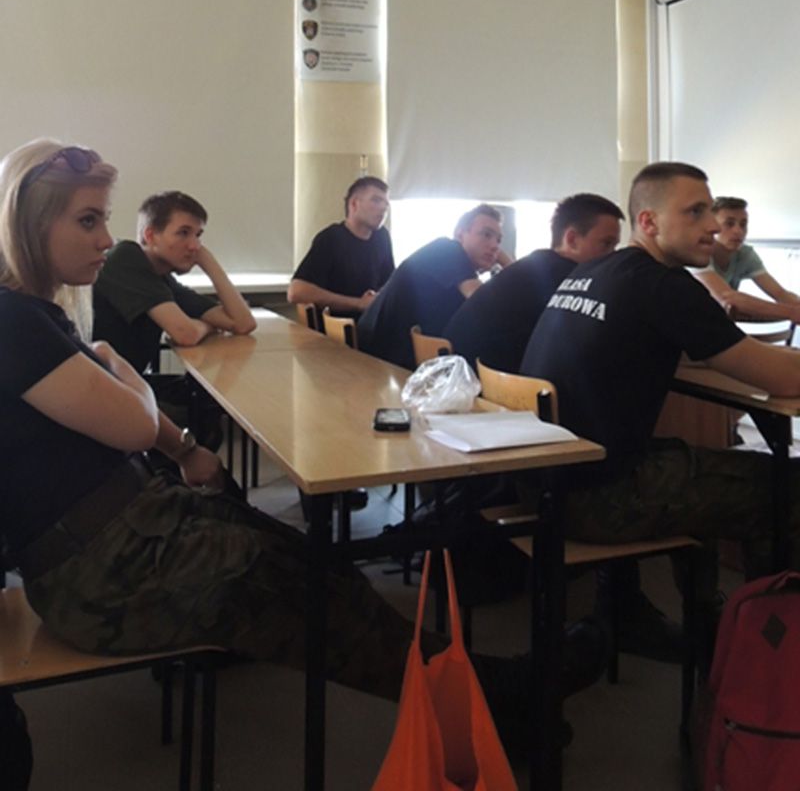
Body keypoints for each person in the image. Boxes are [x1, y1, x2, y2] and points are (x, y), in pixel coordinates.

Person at [0, 139, 604, 743]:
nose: (106, 239)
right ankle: (496, 701)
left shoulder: (35, 314)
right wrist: (120, 370)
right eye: (88, 221)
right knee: (302, 589)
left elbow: (141, 394)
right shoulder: (16, 321)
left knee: (309, 559)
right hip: (99, 575)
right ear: (29, 224)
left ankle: (479, 695)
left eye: (104, 219)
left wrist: (171, 436)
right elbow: (134, 422)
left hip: (129, 530)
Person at [520, 161, 800, 585]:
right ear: (649, 222)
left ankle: (706, 615)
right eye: (695, 212)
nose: (713, 226)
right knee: (787, 484)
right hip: (597, 498)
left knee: (703, 464)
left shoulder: (594, 270)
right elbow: (785, 379)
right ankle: (764, 622)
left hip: (541, 481)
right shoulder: (665, 285)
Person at [444, 193, 623, 373]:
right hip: (475, 381)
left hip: (457, 371)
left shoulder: (536, 265)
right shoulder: (571, 280)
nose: (613, 255)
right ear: (572, 240)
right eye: (606, 244)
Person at [93, 190, 256, 374]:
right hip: (100, 387)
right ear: (150, 236)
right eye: (183, 233)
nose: (194, 246)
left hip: (127, 382)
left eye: (198, 235)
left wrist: (209, 263)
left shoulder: (162, 278)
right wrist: (209, 326)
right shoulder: (124, 257)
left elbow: (243, 323)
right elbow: (186, 334)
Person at [357, 203, 511, 369]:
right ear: (460, 235)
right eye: (486, 234)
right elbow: (487, 305)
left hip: (385, 353)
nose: (495, 246)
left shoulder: (454, 270)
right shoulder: (447, 249)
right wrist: (507, 263)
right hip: (379, 356)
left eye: (498, 240)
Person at [287, 177, 394, 317]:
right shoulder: (331, 238)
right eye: (376, 200)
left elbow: (389, 282)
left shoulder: (382, 237)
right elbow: (296, 292)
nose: (383, 208)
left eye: (386, 203)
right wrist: (358, 303)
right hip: (340, 327)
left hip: (372, 323)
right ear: (354, 204)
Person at [694, 195, 800, 325]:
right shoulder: (697, 253)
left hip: (718, 326)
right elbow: (727, 298)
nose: (738, 231)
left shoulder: (745, 254)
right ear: (712, 226)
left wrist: (795, 307)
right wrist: (792, 312)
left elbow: (780, 293)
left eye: (743, 224)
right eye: (729, 224)